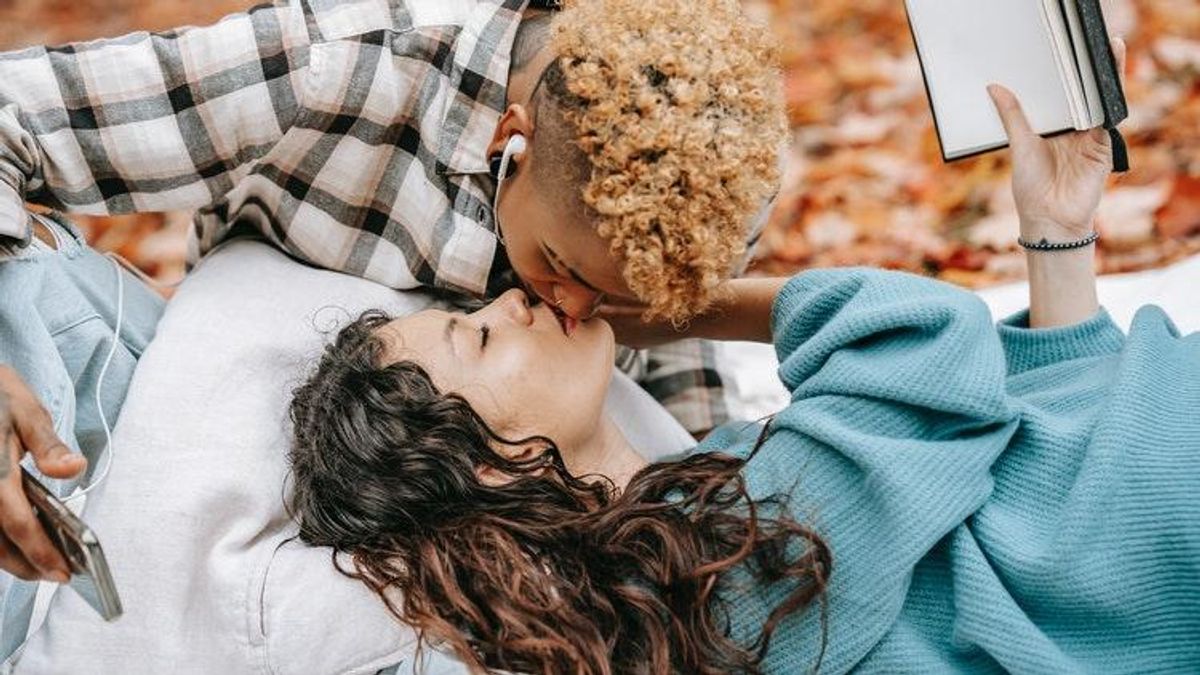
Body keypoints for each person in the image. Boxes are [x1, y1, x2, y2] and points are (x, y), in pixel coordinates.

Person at [288, 43, 1200, 675]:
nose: (511, 299)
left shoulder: (703, 509)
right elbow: (931, 341)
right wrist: (697, 308)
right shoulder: (715, 575)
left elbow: (1017, 444)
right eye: (480, 336)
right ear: (494, 463)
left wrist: (1055, 238)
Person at [0, 0, 781, 593]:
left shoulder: (704, 185)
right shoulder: (339, 65)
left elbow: (681, 367)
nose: (573, 309)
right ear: (509, 140)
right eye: (556, 264)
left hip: (520, 512)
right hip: (253, 414)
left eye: (615, 297)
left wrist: (698, 514)